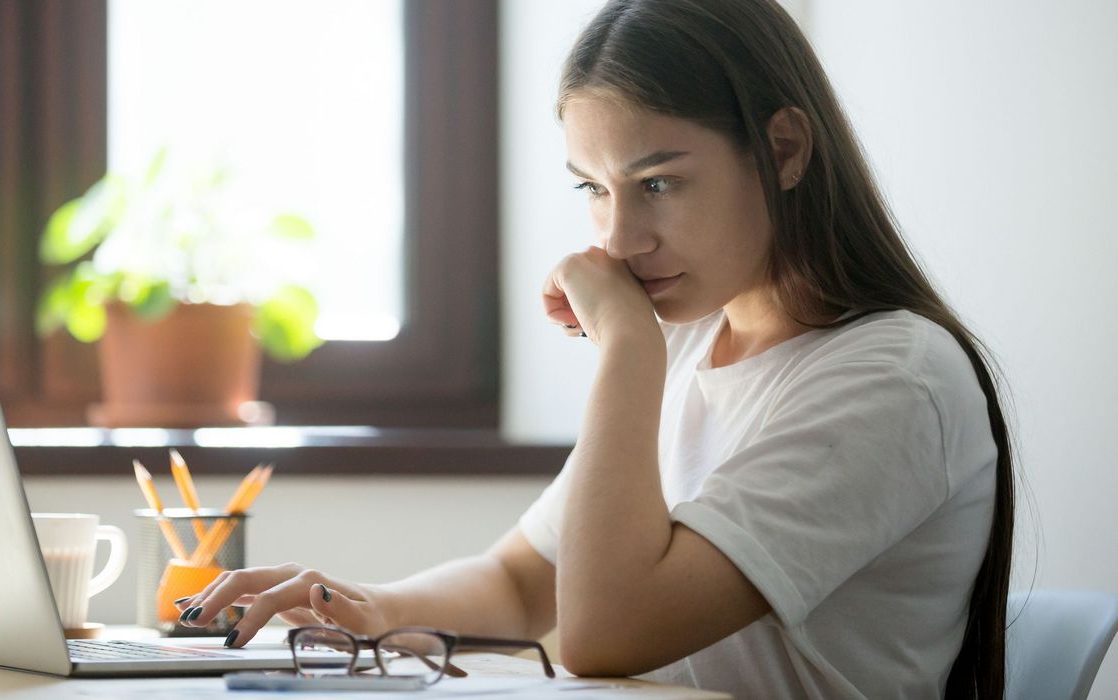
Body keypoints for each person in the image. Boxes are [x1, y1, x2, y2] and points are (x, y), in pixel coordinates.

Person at [175, 1, 1014, 697]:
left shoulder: (893, 378)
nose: (619, 237)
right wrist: (354, 609)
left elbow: (605, 634)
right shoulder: (691, 344)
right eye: (593, 188)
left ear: (784, 151)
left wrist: (626, 349)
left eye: (658, 184)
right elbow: (517, 583)